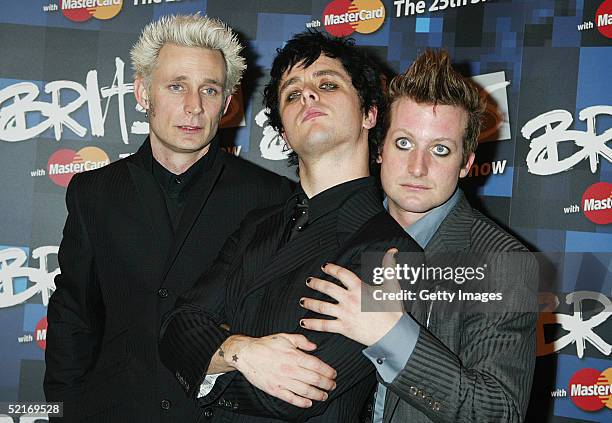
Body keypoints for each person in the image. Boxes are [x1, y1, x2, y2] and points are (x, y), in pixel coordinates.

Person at [158, 31, 422, 422]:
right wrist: (242, 351)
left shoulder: (394, 252)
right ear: (283, 132)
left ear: (370, 113)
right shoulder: (255, 226)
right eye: (292, 94)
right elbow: (176, 328)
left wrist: (212, 357)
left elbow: (297, 393)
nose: (309, 96)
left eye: (327, 84)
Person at [44, 14, 292, 423]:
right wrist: (66, 413)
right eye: (177, 86)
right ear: (144, 92)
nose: (193, 107)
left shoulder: (270, 197)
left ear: (227, 102)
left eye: (209, 90)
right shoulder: (94, 193)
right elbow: (74, 320)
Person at [300, 50, 538, 422]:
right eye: (404, 143)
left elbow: (498, 413)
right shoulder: (337, 232)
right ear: (380, 148)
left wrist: (393, 334)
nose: (417, 166)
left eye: (440, 150)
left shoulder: (501, 262)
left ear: (465, 163)